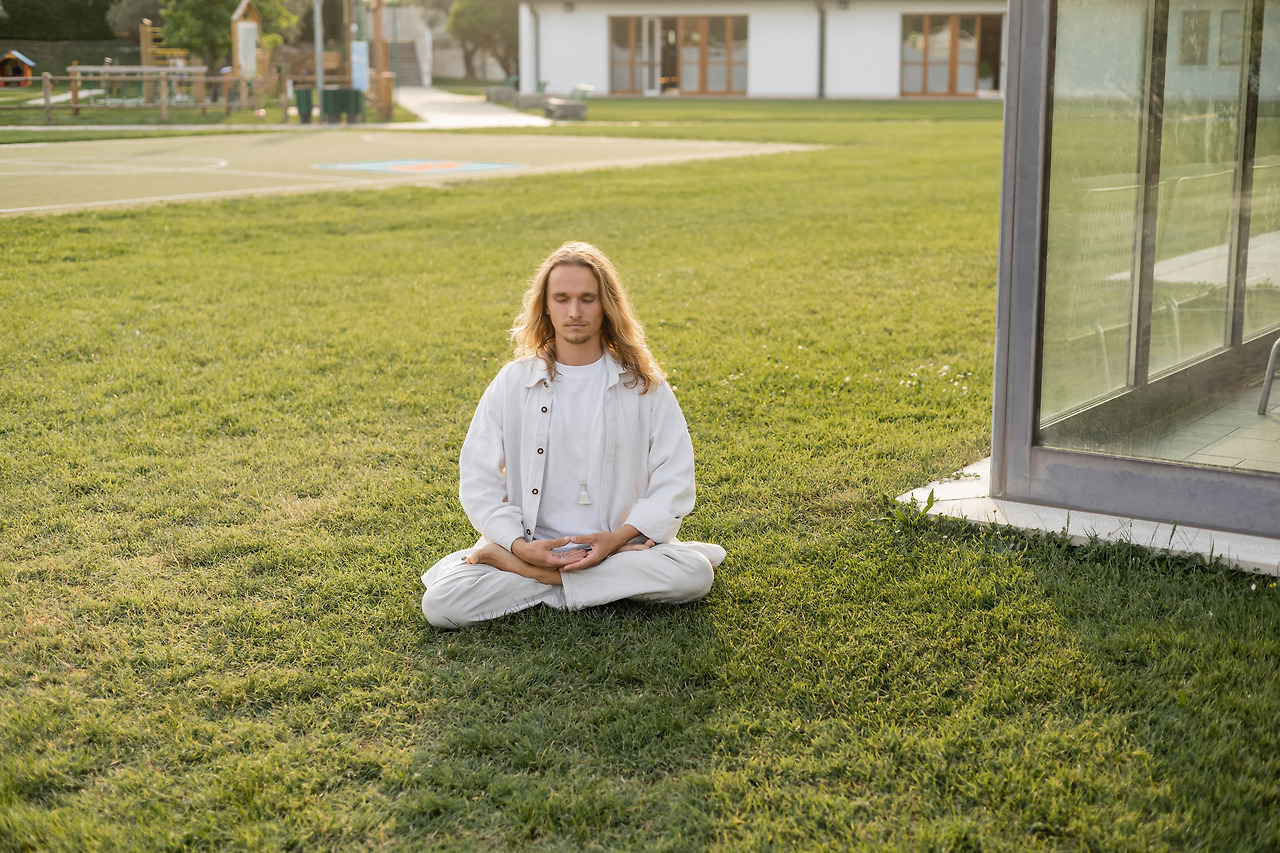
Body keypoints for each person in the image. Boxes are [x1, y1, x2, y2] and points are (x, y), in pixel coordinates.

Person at [420, 241, 726, 628]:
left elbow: (674, 477)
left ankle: (530, 576)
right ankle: (585, 581)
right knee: (442, 604)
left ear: (606, 305)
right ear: (546, 306)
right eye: (562, 299)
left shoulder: (642, 384)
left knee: (695, 575)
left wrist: (617, 540)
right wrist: (520, 546)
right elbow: (478, 479)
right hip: (536, 545)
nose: (575, 312)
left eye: (587, 299)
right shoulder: (514, 382)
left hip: (617, 547)